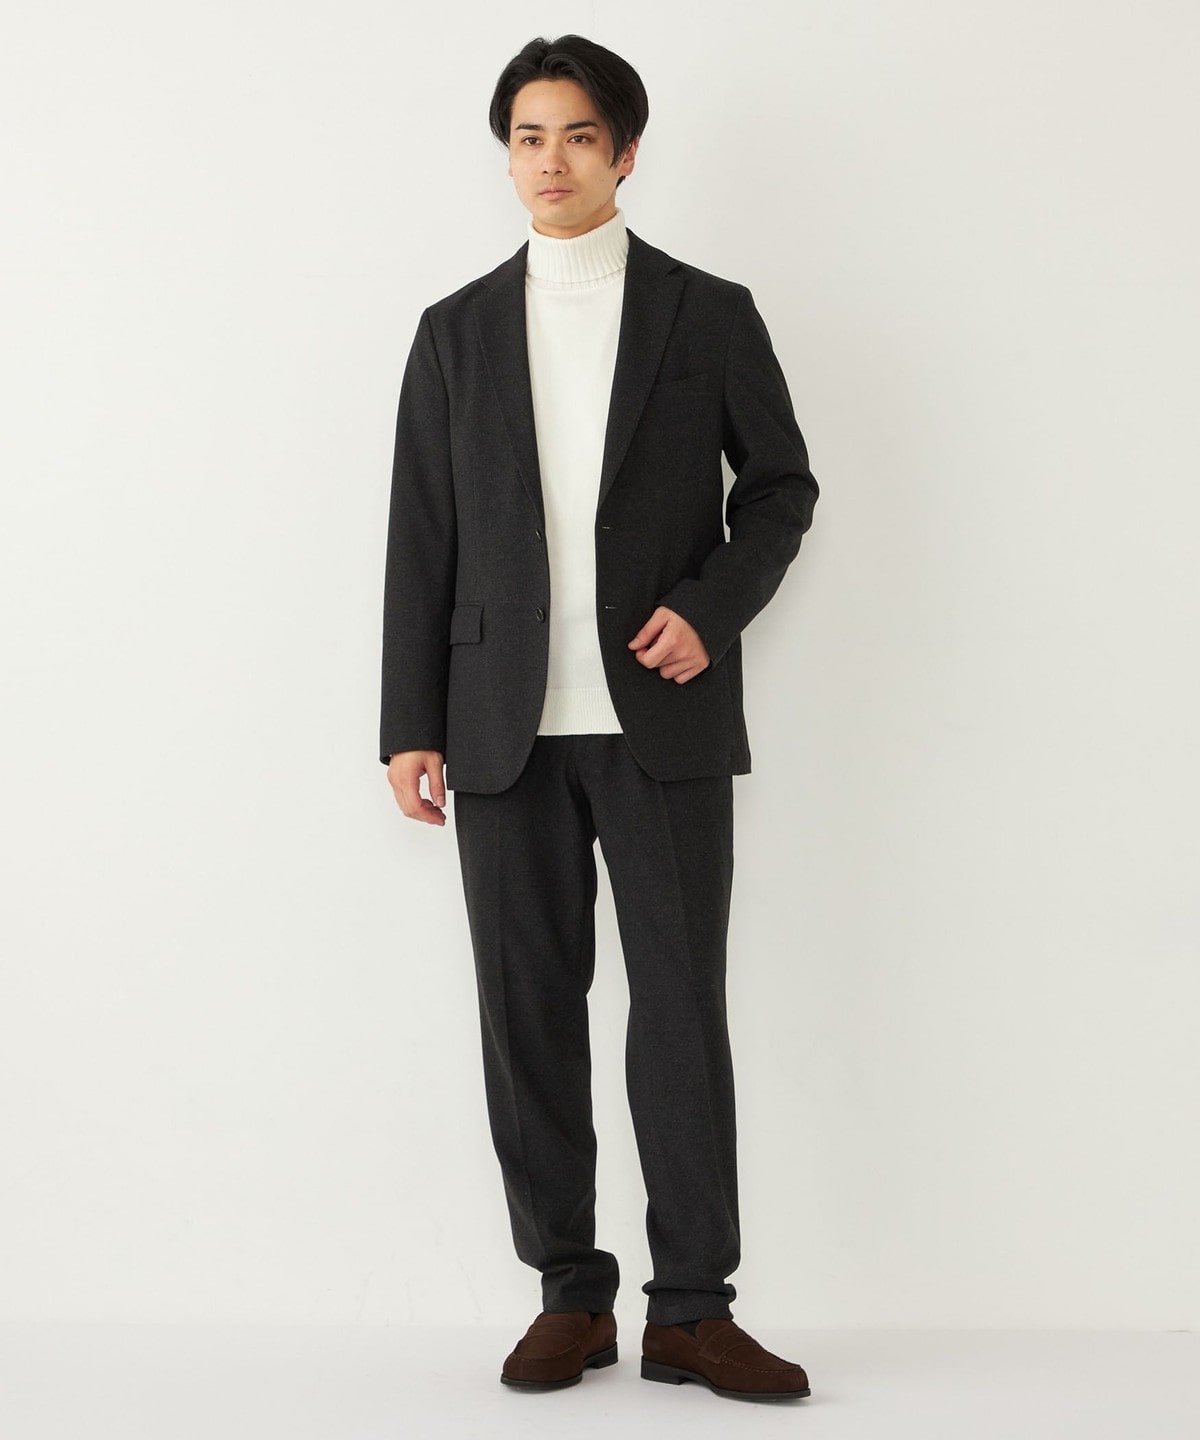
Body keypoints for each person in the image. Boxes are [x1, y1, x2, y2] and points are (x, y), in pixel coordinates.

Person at [380, 34, 818, 1401]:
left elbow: (783, 489)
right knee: (528, 1012)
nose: (550, 161)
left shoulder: (708, 313)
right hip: (498, 725)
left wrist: (711, 608)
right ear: (506, 154)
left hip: (662, 720)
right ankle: (569, 1292)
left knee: (678, 1011)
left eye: (577, 136)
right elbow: (422, 537)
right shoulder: (455, 331)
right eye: (527, 137)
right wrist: (408, 723)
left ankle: (692, 1307)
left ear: (625, 153)